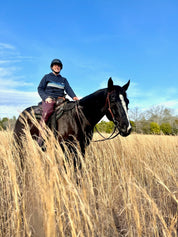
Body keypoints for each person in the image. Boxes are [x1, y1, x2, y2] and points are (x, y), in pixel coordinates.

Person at [37, 58, 79, 145]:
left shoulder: (63, 80)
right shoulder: (47, 77)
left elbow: (68, 89)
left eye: (59, 66)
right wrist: (45, 98)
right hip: (49, 100)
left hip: (61, 100)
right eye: (55, 65)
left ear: (60, 68)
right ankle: (41, 138)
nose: (57, 67)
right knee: (47, 112)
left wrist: (74, 97)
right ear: (52, 67)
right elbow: (40, 88)